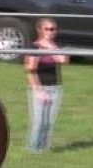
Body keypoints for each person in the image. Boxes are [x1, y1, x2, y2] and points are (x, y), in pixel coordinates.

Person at [24, 18, 69, 153]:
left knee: (49, 123)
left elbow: (64, 61)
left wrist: (51, 47)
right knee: (38, 122)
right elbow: (30, 70)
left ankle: (43, 149)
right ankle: (33, 149)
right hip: (39, 88)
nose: (51, 32)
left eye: (53, 29)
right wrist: (39, 91)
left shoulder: (56, 47)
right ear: (40, 30)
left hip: (55, 88)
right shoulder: (34, 47)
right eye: (47, 29)